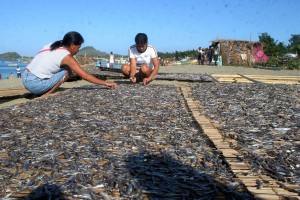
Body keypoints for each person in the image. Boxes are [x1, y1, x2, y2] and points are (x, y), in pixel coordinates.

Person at [22, 31, 116, 97]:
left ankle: (41, 90)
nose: (78, 50)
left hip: (25, 77)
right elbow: (84, 75)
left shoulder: (50, 45)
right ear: (72, 45)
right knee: (68, 70)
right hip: (34, 84)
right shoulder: (66, 56)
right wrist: (105, 83)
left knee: (61, 67)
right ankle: (47, 94)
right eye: (78, 47)